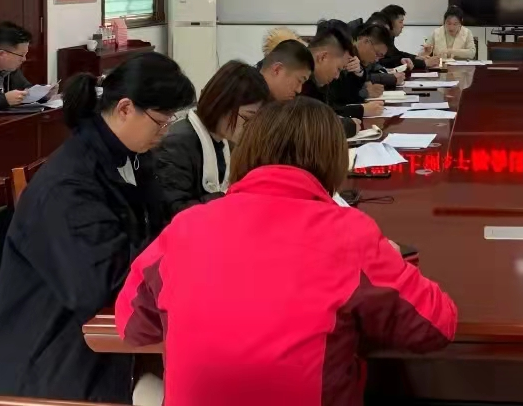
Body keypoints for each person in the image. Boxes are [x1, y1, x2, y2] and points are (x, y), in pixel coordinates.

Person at [115, 97, 458, 406]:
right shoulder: (350, 233)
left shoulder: (186, 227)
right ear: (334, 159)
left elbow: (132, 324)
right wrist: (394, 261)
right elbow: (437, 325)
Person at [0, 53, 196, 402]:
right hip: (49, 356)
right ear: (125, 108)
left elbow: (161, 224)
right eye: (161, 121)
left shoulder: (132, 157)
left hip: (96, 341)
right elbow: (101, 286)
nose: (166, 131)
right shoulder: (68, 187)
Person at [151, 60, 271, 229]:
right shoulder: (177, 142)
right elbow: (175, 212)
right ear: (222, 104)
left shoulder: (226, 142)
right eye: (247, 118)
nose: (250, 127)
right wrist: (230, 198)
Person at [299, 22, 364, 137]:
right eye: (338, 69)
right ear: (323, 57)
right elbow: (302, 129)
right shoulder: (297, 80)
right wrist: (343, 126)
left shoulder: (317, 81)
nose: (337, 76)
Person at [376, 4, 439, 70]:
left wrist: (416, 57)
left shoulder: (389, 36)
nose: (402, 26)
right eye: (400, 22)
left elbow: (396, 54)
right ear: (390, 23)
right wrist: (424, 63)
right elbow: (386, 62)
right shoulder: (379, 37)